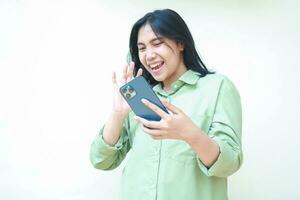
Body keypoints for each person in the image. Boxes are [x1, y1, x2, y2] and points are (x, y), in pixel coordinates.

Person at [90, 9, 242, 200]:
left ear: (180, 43)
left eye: (157, 43)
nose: (149, 55)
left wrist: (190, 134)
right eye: (142, 48)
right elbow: (102, 160)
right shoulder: (140, 94)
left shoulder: (217, 87)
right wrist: (118, 114)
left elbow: (229, 163)